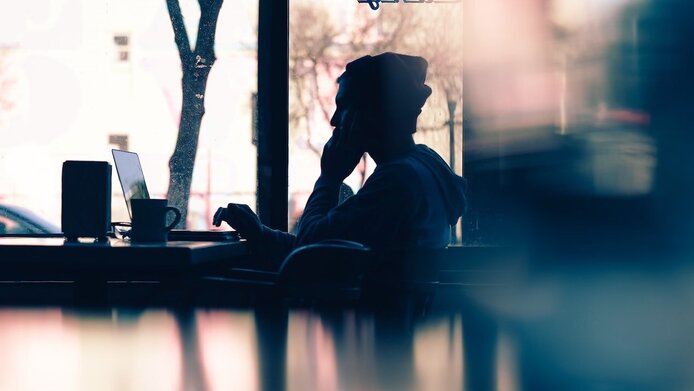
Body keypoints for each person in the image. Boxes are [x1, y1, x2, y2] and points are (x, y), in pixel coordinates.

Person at [213, 52, 468, 267]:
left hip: (366, 321)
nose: (335, 120)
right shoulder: (422, 164)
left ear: (374, 112)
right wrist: (261, 234)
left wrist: (329, 178)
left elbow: (309, 251)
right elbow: (328, 243)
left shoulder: (396, 180)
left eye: (344, 106)